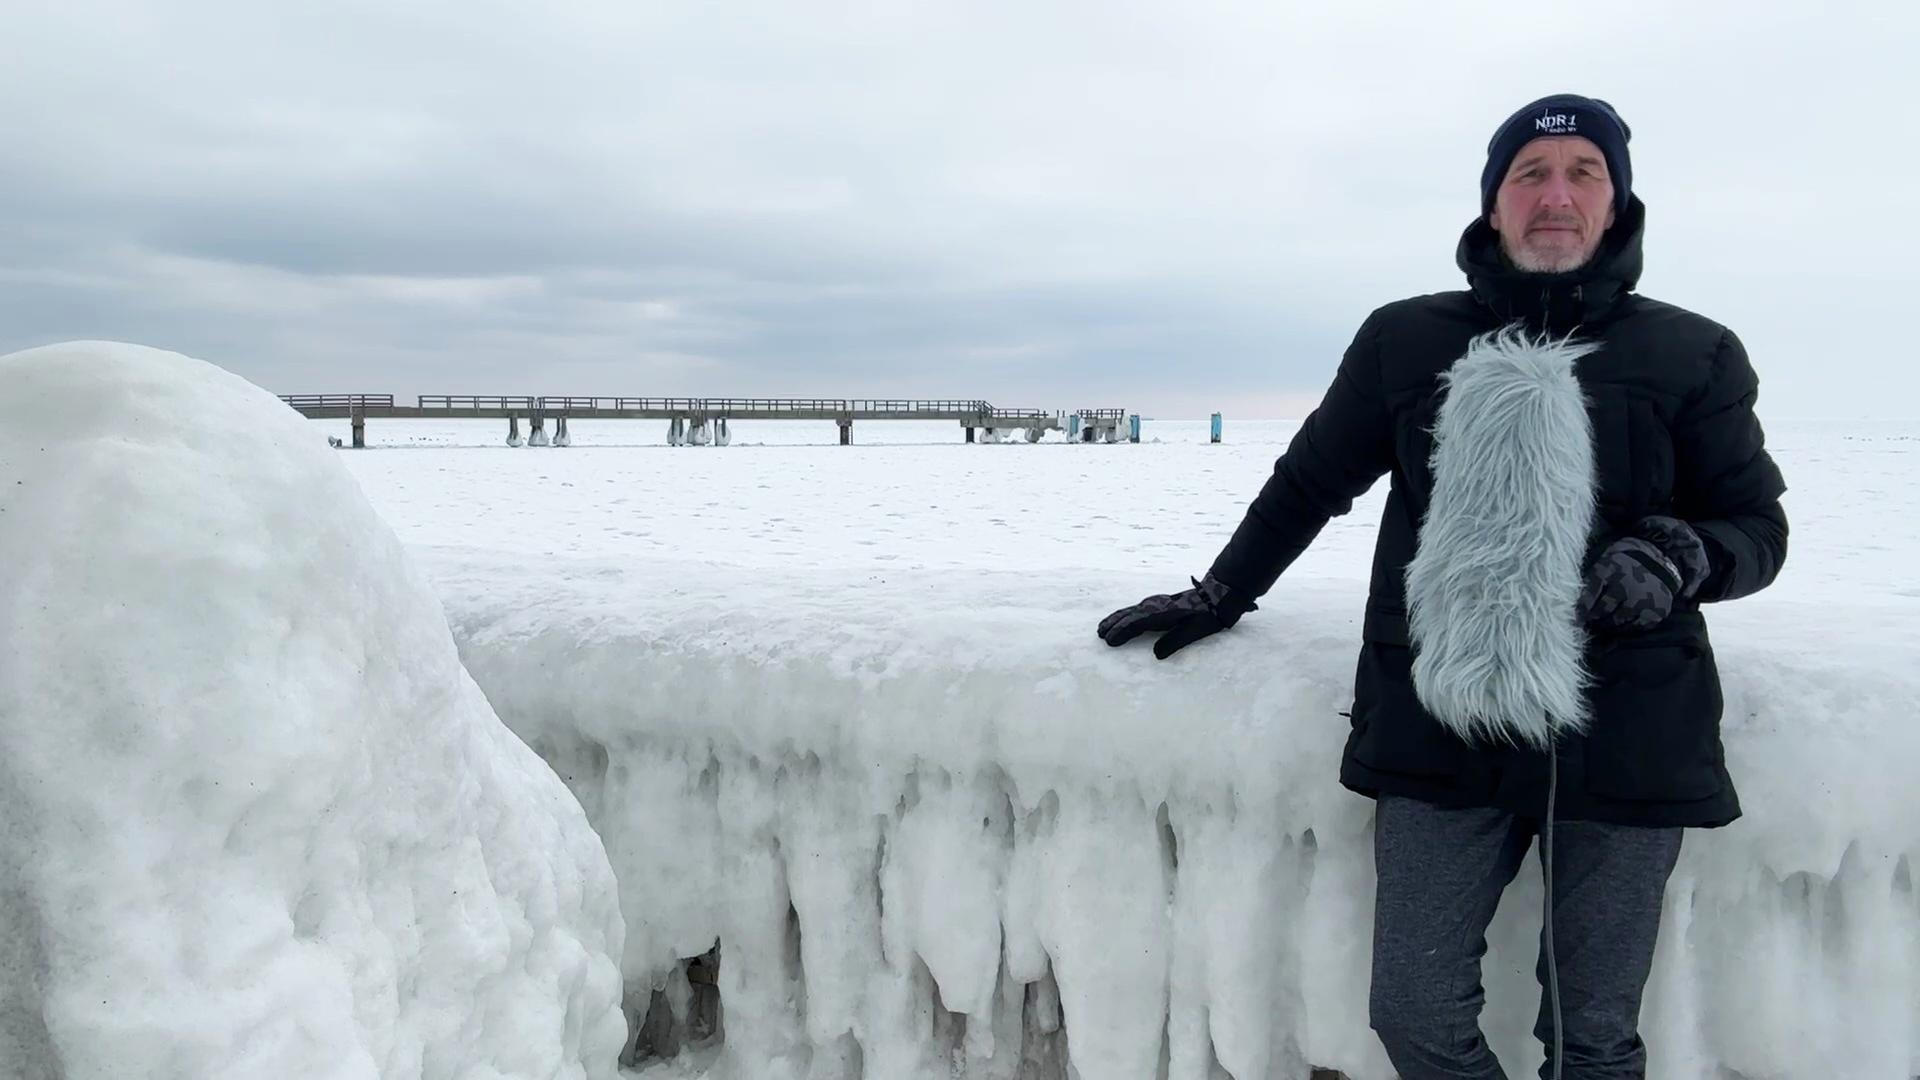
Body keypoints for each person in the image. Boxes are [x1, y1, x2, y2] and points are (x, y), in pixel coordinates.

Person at [1098, 94, 1787, 1080]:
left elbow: (1756, 528)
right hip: (1437, 719)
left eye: (1583, 173)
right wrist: (1223, 590)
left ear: (1619, 204)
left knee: (1596, 1040)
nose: (1556, 195)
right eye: (1530, 175)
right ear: (1494, 203)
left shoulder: (1694, 352)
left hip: (1630, 731)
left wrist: (1681, 556)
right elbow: (1310, 482)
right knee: (1412, 1012)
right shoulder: (1405, 339)